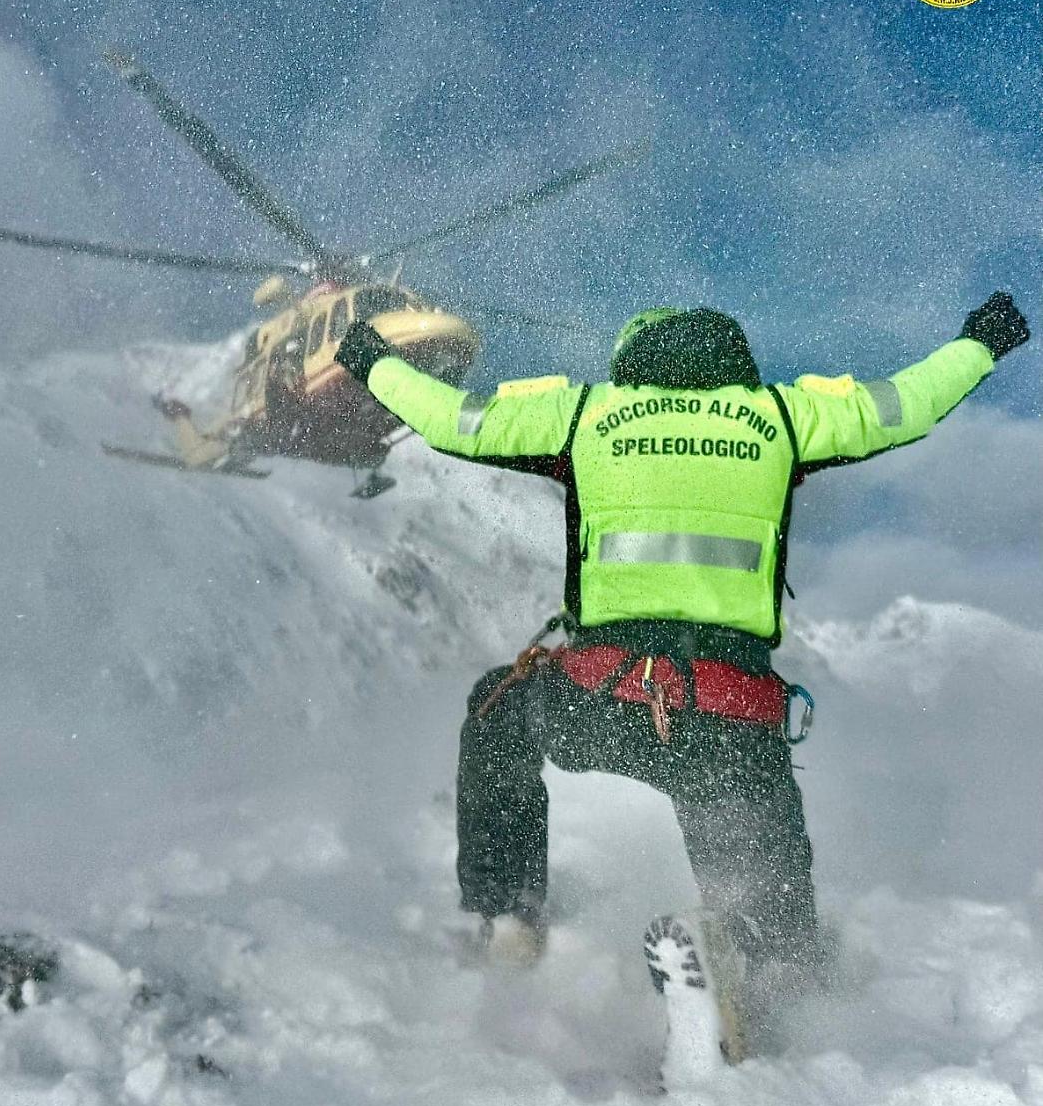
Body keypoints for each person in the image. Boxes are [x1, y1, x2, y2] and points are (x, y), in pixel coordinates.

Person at [334, 293, 1030, 1035]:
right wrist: (978, 345)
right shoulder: (784, 417)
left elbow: (451, 418)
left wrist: (373, 362)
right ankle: (765, 972)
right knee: (767, 886)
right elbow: (905, 404)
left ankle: (511, 919)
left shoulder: (585, 414)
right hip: (732, 722)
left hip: (604, 701)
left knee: (495, 710)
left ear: (634, 360)